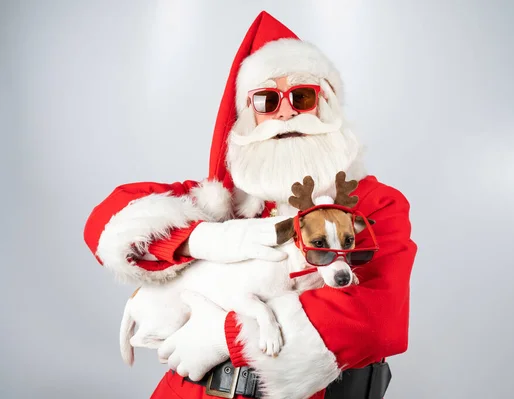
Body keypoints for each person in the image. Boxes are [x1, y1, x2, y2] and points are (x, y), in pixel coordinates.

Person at [83, 10, 417, 399]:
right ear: (247, 120)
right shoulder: (223, 202)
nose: (287, 112)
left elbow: (372, 320)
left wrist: (227, 336)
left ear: (326, 108)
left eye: (302, 96)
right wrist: (202, 239)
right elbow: (107, 221)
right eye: (267, 100)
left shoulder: (373, 205)